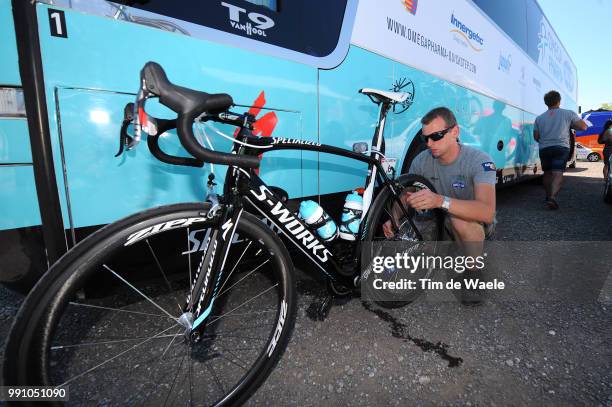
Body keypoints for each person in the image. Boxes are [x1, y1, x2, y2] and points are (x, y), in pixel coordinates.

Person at [383, 107, 496, 304]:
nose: (429, 144)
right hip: (434, 221)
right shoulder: (421, 160)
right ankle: (444, 251)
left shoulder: (479, 160)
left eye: (436, 136)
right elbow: (405, 196)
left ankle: (474, 274)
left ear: (455, 132)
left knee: (459, 222)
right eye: (425, 138)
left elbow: (486, 212)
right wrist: (393, 219)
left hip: (468, 222)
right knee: (406, 249)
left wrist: (439, 200)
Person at [533, 90, 587, 209]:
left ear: (546, 103)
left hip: (544, 148)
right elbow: (583, 126)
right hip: (561, 147)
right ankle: (552, 197)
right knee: (557, 173)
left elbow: (536, 137)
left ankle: (548, 197)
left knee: (547, 173)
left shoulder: (539, 118)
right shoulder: (568, 114)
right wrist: (571, 125)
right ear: (559, 101)